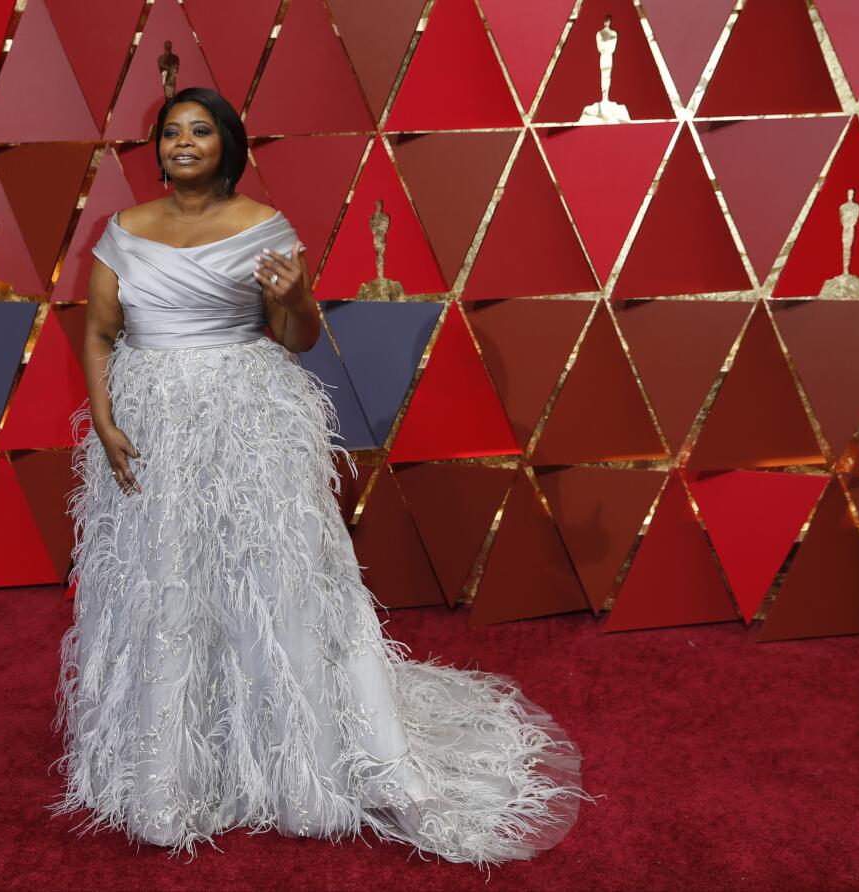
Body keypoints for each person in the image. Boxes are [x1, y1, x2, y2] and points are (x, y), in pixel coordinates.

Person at [47, 86, 593, 869]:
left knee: (270, 580)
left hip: (249, 423)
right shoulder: (121, 232)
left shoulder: (266, 229)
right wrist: (103, 420)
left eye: (200, 131)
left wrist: (295, 296)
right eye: (171, 133)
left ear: (227, 145)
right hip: (153, 425)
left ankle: (300, 765)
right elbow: (100, 333)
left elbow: (299, 336)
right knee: (168, 580)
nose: (183, 143)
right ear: (157, 148)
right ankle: (174, 766)